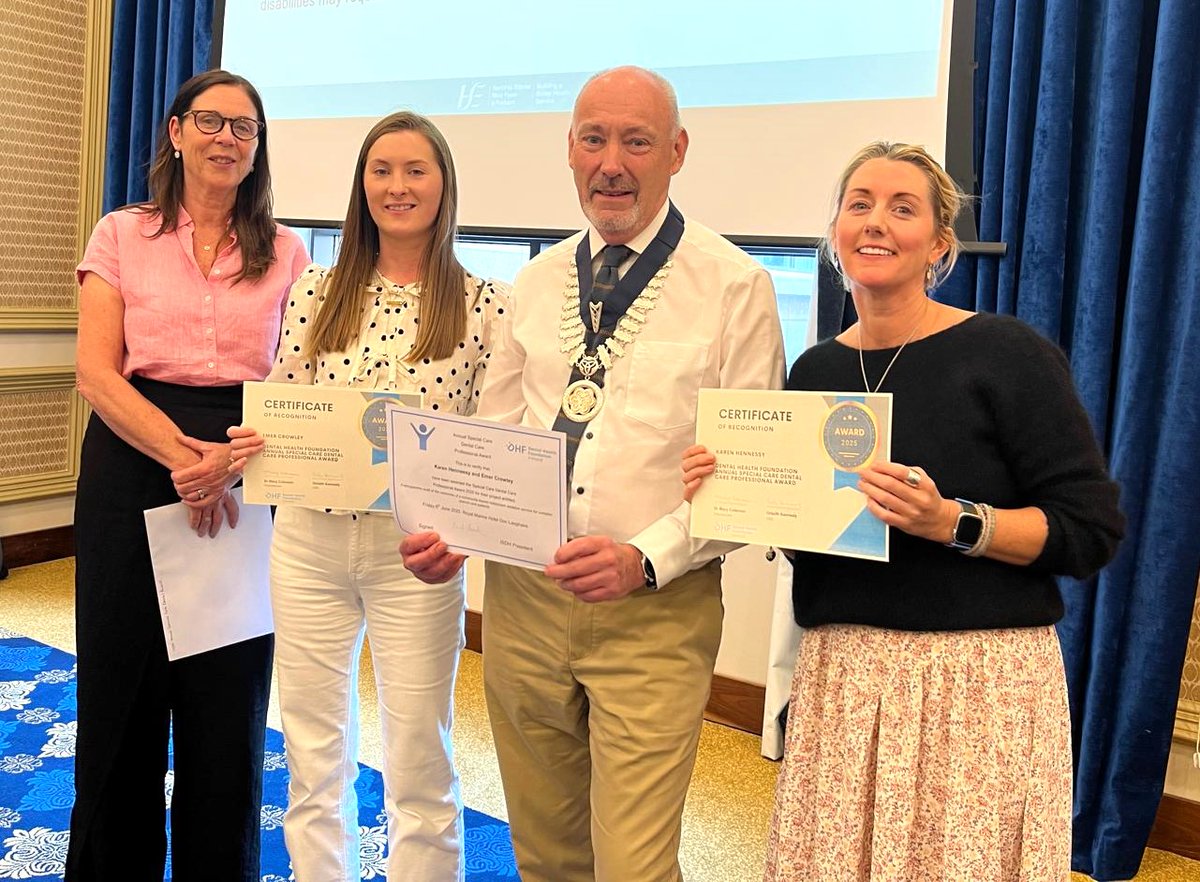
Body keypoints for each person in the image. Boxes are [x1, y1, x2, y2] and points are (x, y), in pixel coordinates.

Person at [682, 142, 1124, 881]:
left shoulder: (1006, 354)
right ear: (835, 232)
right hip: (843, 679)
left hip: (975, 685)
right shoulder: (817, 371)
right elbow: (816, 539)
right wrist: (735, 491)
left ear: (940, 244)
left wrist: (952, 521)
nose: (875, 222)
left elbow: (1091, 530)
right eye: (859, 204)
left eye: (902, 207)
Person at [401, 66, 785, 882]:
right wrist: (457, 528)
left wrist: (642, 559)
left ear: (677, 151)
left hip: (654, 612)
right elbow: (498, 431)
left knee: (633, 866)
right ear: (570, 150)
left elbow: (747, 480)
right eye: (594, 140)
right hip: (525, 602)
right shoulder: (536, 283)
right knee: (545, 854)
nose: (612, 163)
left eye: (636, 142)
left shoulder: (735, 286)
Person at [227, 111, 509, 881]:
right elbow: (286, 396)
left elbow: (491, 441)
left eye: (416, 170)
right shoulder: (317, 290)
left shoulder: (486, 303)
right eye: (381, 170)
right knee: (313, 753)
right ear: (362, 185)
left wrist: (465, 534)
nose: (397, 186)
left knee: (420, 758)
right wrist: (258, 441)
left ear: (444, 184)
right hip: (307, 544)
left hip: (416, 555)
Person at [69, 70, 309, 880]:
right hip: (131, 464)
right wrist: (186, 460)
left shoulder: (287, 251)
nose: (226, 138)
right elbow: (97, 374)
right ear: (176, 132)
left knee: (226, 705)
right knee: (121, 694)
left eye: (244, 127)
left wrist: (225, 468)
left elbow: (296, 381)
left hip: (247, 464)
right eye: (210, 121)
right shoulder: (121, 234)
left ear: (257, 147)